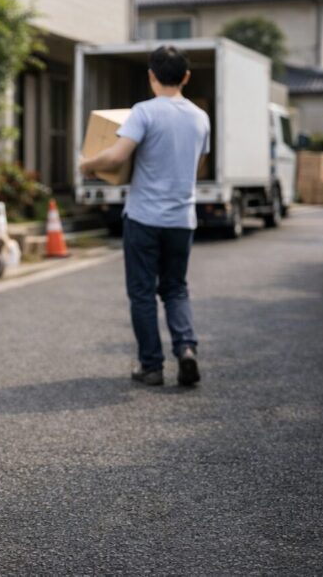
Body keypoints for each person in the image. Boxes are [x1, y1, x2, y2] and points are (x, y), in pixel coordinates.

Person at [78, 45, 209, 387]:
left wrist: (88, 163)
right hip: (182, 220)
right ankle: (186, 349)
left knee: (142, 293)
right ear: (186, 77)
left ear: (151, 76)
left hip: (144, 217)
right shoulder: (200, 117)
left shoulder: (144, 112)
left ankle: (151, 366)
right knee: (176, 289)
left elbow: (117, 156)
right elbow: (199, 164)